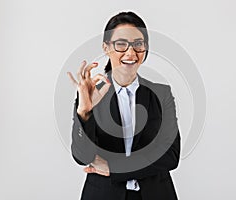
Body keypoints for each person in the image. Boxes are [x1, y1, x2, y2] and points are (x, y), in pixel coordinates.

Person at [67, 11, 181, 200]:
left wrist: (114, 168)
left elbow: (170, 156)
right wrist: (85, 112)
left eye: (138, 44)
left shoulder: (162, 94)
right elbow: (82, 156)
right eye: (121, 44)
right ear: (106, 47)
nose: (130, 53)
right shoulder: (91, 93)